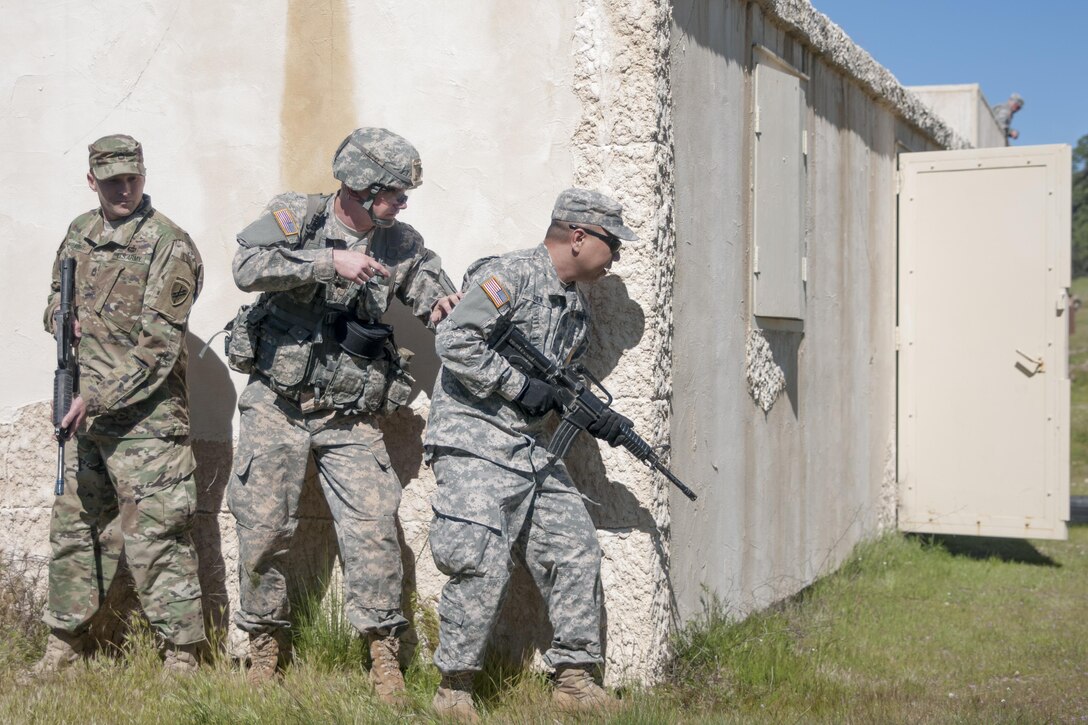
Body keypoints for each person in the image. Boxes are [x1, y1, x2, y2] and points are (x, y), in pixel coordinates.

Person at [224, 127, 460, 701]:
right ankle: (264, 647)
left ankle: (384, 657)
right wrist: (328, 262)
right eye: (394, 192)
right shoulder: (296, 217)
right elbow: (245, 267)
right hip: (276, 408)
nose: (403, 202)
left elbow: (430, 285)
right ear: (361, 186)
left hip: (349, 417)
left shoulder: (397, 241)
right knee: (261, 533)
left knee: (374, 532)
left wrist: (446, 304)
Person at [423, 188, 638, 720]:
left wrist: (592, 414)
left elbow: (557, 383)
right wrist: (518, 387)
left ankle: (574, 678)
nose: (616, 257)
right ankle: (454, 690)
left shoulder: (575, 306)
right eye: (612, 243)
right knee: (479, 563)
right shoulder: (510, 276)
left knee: (574, 547)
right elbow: (454, 339)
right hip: (474, 440)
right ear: (578, 236)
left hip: (530, 449)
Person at [35, 134, 207, 675]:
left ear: (143, 175)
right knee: (74, 531)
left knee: (157, 537)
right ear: (93, 181)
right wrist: (60, 319)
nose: (124, 188)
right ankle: (65, 643)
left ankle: (182, 656)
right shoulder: (79, 233)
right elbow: (51, 304)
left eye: (132, 177)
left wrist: (96, 398)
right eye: (112, 181)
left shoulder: (169, 245)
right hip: (83, 417)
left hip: (147, 424)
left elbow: (159, 348)